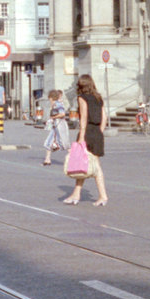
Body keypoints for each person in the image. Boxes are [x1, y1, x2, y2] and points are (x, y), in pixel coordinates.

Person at [63, 74, 108, 206]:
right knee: (85, 165)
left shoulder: (82, 98)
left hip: (87, 132)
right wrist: (100, 132)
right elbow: (104, 117)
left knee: (87, 164)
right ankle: (76, 194)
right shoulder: (98, 97)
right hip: (97, 132)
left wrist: (81, 138)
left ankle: (102, 196)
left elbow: (83, 118)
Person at [42, 90, 68, 165]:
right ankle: (47, 159)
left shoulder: (57, 104)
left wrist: (53, 117)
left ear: (51, 98)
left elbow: (62, 114)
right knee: (49, 142)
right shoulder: (55, 104)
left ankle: (74, 158)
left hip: (59, 125)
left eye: (49, 98)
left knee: (64, 143)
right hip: (56, 125)